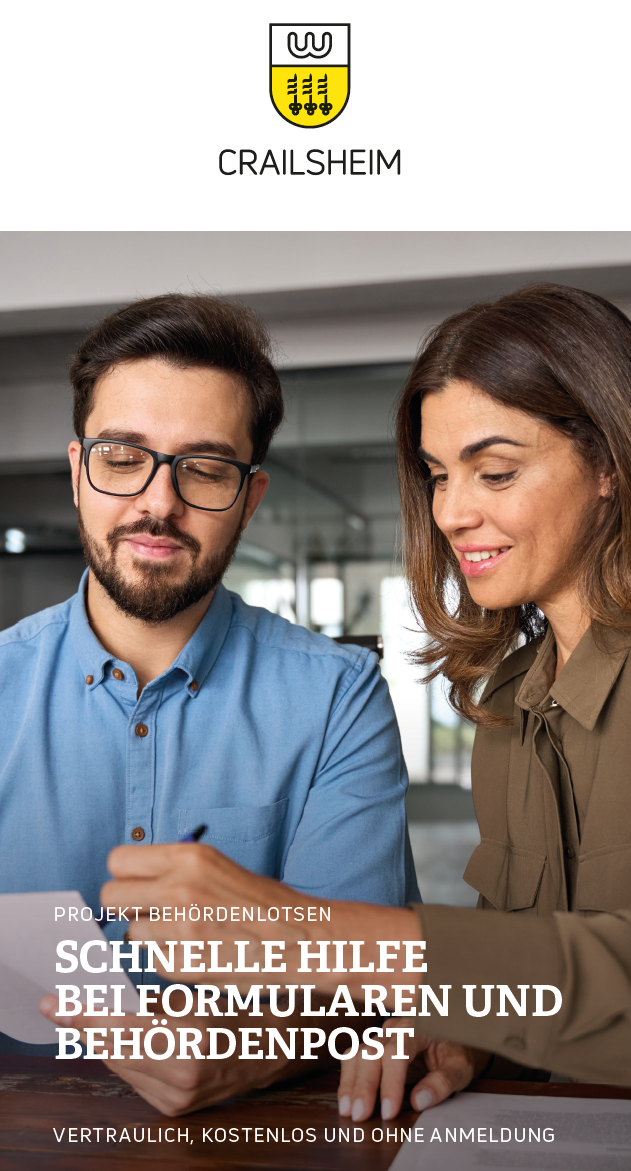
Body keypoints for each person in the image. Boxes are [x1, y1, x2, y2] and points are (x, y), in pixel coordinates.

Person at [75, 285, 631, 1112]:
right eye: (437, 476)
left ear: (609, 463)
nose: (450, 512)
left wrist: (313, 935)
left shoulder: (334, 693)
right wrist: (468, 1028)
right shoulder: (509, 707)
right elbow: (538, 975)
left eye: (495, 472)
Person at [1, 292, 422, 1111]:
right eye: (122, 456)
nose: (159, 502)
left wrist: (250, 1049)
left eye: (203, 468)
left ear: (250, 497)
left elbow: (359, 977)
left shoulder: (337, 697)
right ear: (78, 471)